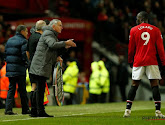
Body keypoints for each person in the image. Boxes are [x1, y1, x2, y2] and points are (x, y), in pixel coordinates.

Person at [29, 19, 76, 117]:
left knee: (39, 88)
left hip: (40, 65)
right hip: (40, 65)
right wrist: (65, 43)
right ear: (53, 26)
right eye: (60, 25)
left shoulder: (50, 34)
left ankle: (35, 111)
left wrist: (64, 48)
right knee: (40, 89)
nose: (62, 27)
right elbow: (52, 45)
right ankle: (39, 111)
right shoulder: (48, 34)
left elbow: (52, 51)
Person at [123, 11, 165, 118]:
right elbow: (160, 49)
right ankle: (158, 112)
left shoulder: (133, 30)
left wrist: (130, 60)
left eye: (137, 18)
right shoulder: (156, 30)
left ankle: (127, 110)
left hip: (138, 61)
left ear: (141, 19)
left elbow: (131, 48)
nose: (136, 20)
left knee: (134, 85)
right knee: (154, 85)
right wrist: (163, 63)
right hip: (151, 60)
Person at [4, 25, 30, 115]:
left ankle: (8, 109)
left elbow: (5, 54)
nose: (27, 33)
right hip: (19, 68)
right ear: (22, 31)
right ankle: (25, 109)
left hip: (10, 68)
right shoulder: (23, 41)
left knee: (11, 89)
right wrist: (27, 63)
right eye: (26, 31)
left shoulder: (9, 40)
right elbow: (24, 55)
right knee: (22, 90)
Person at [26, 20, 46, 117]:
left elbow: (27, 52)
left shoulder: (31, 37)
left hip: (31, 64)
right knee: (39, 87)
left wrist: (30, 61)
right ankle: (40, 110)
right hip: (38, 65)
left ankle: (33, 110)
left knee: (33, 87)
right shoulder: (41, 38)